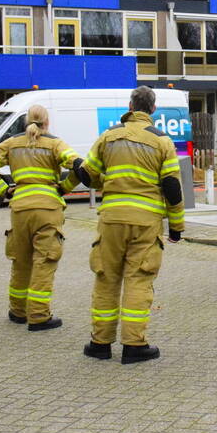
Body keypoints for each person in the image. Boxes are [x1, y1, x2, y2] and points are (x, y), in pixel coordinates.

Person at [77, 86, 184, 365]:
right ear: (153, 110)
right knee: (138, 279)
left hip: (111, 219)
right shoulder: (162, 141)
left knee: (106, 279)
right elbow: (172, 186)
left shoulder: (108, 136)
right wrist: (176, 226)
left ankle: (99, 344)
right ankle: (134, 346)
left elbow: (87, 175)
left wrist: (108, 181)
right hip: (145, 223)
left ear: (130, 106)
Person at [0, 104, 82, 331]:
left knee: (21, 260)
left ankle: (18, 311)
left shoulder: (12, 144)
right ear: (47, 122)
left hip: (20, 208)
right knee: (44, 261)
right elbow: (77, 166)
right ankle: (38, 316)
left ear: (26, 121)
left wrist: (3, 190)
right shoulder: (55, 144)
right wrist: (64, 188)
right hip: (47, 208)